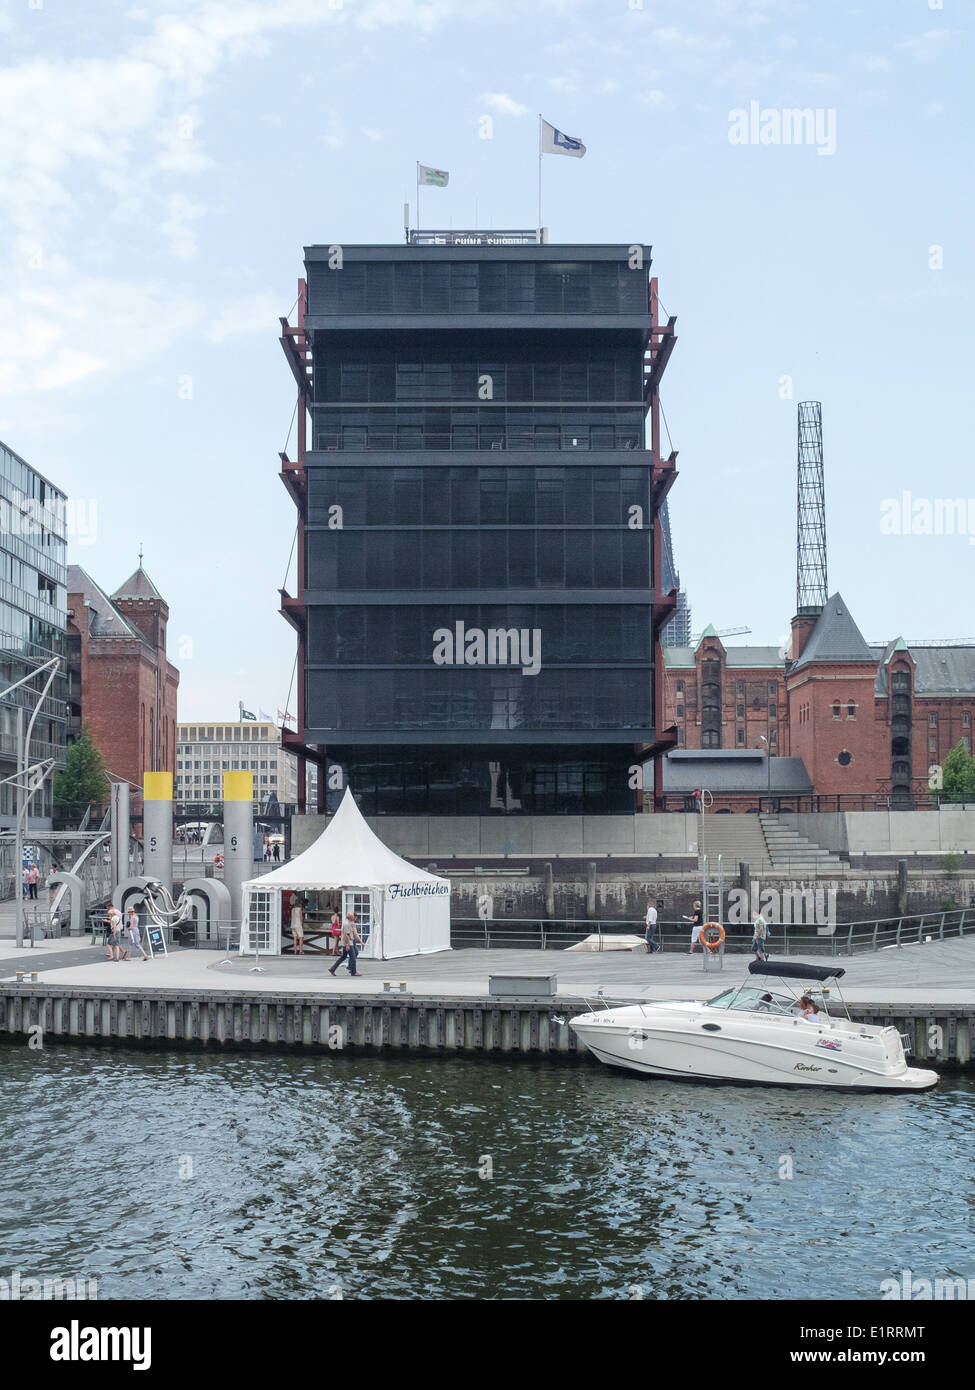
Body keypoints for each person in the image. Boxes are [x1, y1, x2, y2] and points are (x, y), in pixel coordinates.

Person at [329, 912, 363, 978]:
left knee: (343, 957)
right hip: (348, 943)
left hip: (347, 942)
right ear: (350, 917)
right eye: (353, 916)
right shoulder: (347, 924)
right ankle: (353, 972)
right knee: (353, 957)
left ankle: (332, 969)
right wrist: (347, 944)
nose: (354, 917)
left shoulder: (349, 923)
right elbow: (346, 935)